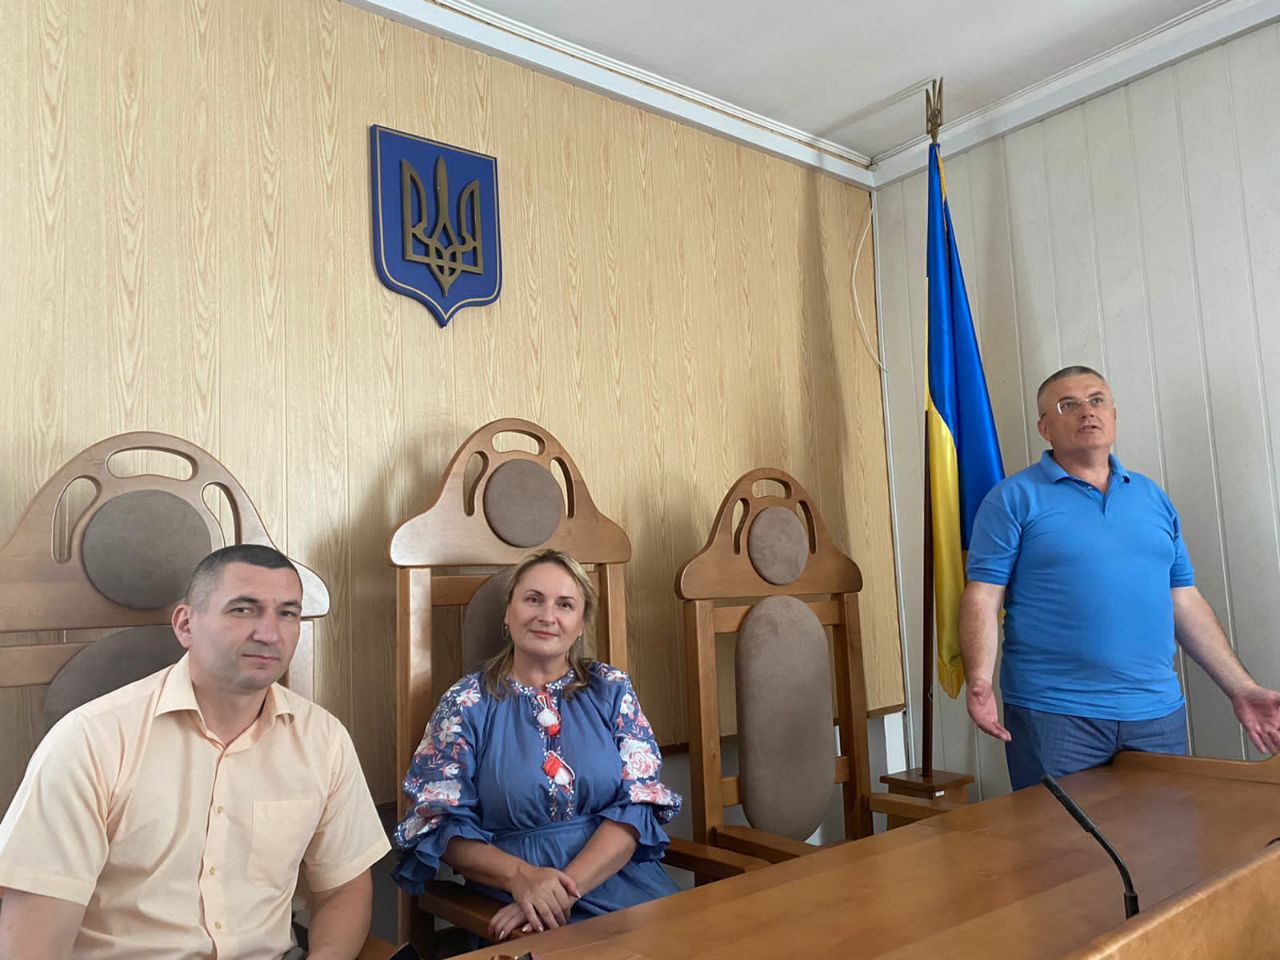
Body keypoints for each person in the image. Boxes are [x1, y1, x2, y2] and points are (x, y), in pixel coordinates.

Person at [0, 544, 390, 960]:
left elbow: (345, 887)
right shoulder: (91, 740)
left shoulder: (323, 739)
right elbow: (33, 945)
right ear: (186, 624)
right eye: (244, 610)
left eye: (288, 613)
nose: (269, 634)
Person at [960, 365, 1280, 790]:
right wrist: (979, 679)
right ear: (1045, 428)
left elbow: (1183, 601)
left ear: (1113, 414)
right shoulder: (1012, 499)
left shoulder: (1152, 498)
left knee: (1165, 832)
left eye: (1097, 400)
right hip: (1055, 714)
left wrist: (1241, 688)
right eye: (1067, 405)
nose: (1087, 412)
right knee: (1061, 836)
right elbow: (983, 597)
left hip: (1157, 715)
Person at [393, 549, 680, 943]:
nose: (547, 616)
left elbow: (638, 804)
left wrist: (560, 891)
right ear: (508, 613)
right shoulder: (466, 703)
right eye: (533, 599)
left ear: (580, 624)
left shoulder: (611, 689)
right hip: (517, 902)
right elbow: (438, 823)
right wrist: (523, 879)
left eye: (565, 604)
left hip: (621, 884)